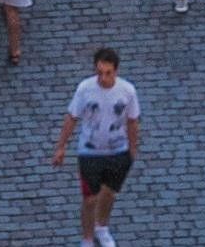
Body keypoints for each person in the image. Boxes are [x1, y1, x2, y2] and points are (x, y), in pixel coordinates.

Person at [52, 44, 141, 246]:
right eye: (99, 72)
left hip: (118, 151)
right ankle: (87, 238)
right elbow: (72, 117)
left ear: (116, 71)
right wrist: (61, 147)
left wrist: (132, 151)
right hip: (90, 152)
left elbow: (133, 121)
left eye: (108, 73)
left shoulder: (127, 91)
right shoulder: (85, 89)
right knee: (90, 199)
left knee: (109, 194)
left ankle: (102, 227)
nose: (103, 78)